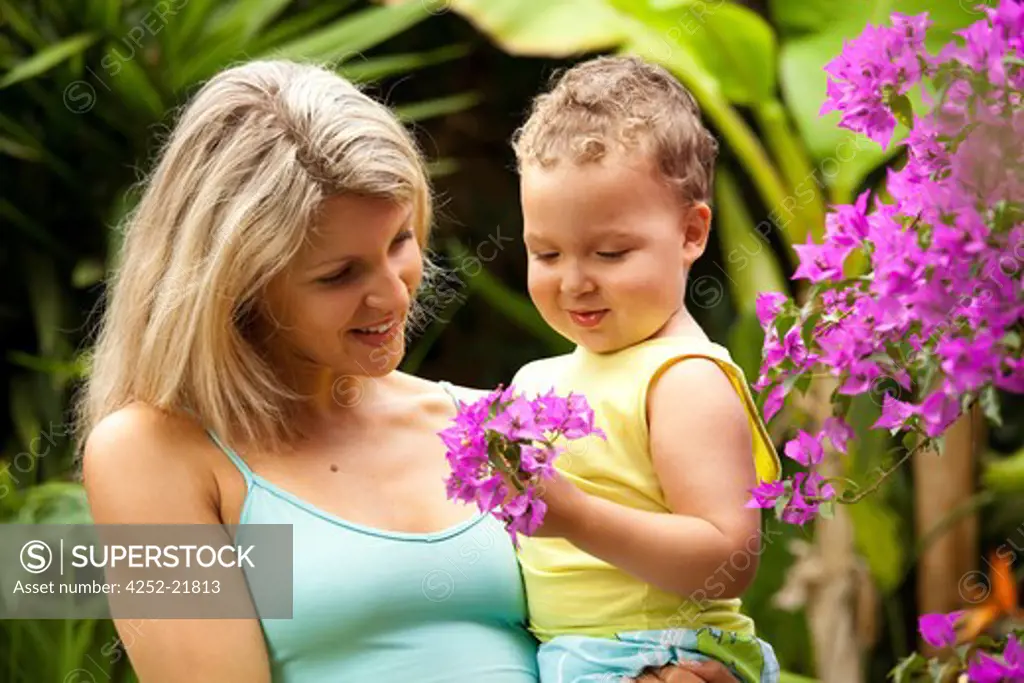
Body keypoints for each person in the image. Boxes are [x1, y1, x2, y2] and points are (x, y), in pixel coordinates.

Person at [74, 59, 742, 683]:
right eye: (339, 274)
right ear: (238, 287)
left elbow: (632, 609)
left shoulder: (490, 424)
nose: (395, 294)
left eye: (399, 241)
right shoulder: (152, 452)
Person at [503, 56, 784, 683]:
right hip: (572, 656)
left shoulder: (684, 378)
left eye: (610, 252)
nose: (575, 281)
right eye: (545, 253)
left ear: (690, 232)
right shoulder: (534, 381)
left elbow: (727, 558)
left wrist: (571, 514)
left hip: (663, 654)